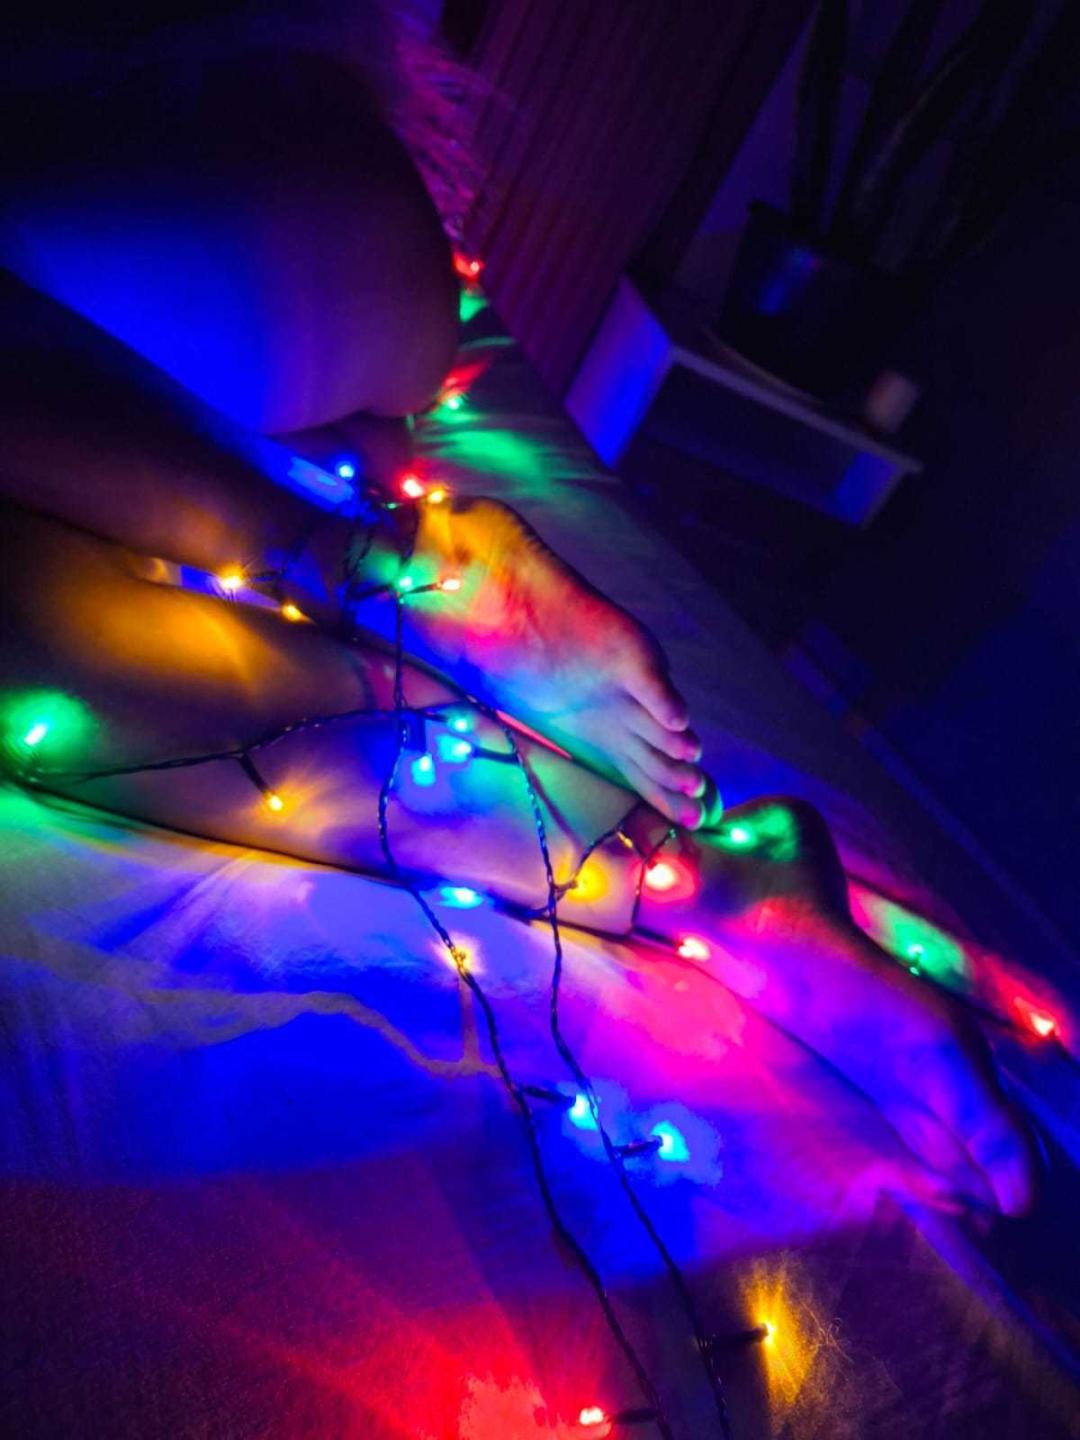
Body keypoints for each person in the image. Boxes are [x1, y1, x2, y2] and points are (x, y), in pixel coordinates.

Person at [0, 30, 1033, 1221]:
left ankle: (366, 552)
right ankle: (695, 877)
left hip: (203, 207)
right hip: (309, 251)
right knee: (35, 672)